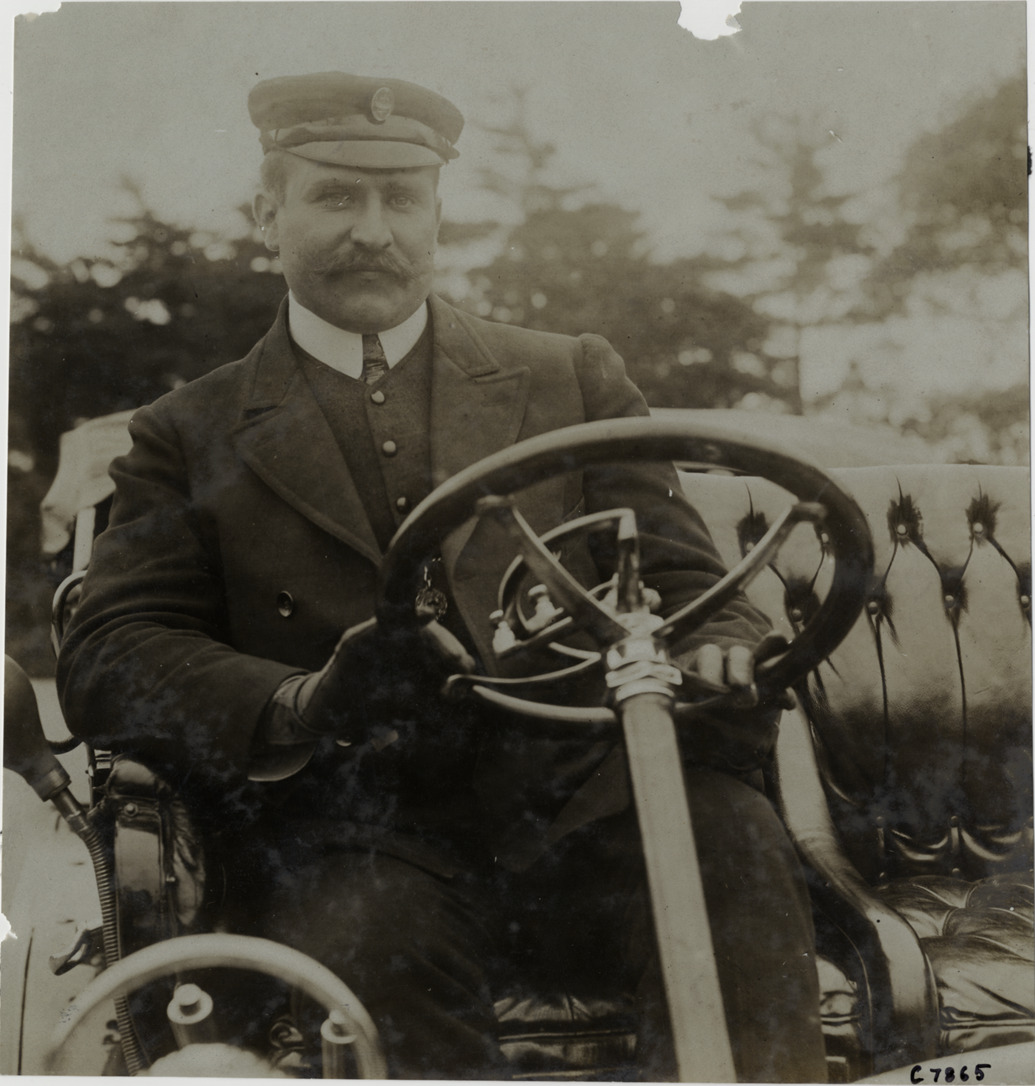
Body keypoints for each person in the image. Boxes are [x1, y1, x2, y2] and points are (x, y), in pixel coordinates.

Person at [57, 72, 827, 1081]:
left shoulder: (569, 378)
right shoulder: (186, 431)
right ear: (267, 217)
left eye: (402, 198)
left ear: (436, 216)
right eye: (336, 196)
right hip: (356, 832)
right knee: (377, 957)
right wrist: (299, 700)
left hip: (591, 803)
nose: (372, 231)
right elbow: (110, 655)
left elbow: (689, 583)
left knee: (732, 842)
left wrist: (721, 648)